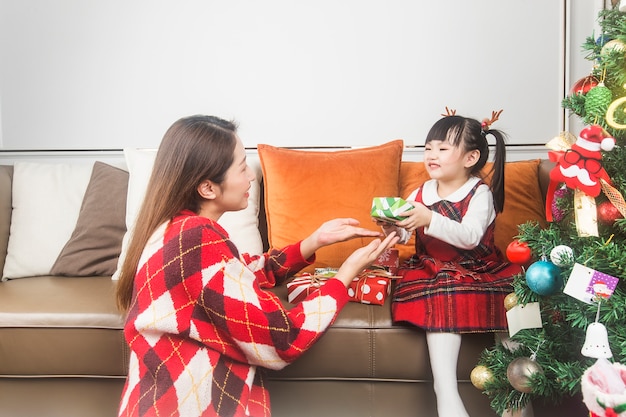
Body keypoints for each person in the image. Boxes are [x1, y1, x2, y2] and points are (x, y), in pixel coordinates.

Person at [115, 115, 399, 417]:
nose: (251, 177)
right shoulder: (197, 239)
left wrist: (313, 241)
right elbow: (283, 338)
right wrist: (346, 274)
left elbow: (233, 271)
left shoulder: (171, 230)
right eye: (241, 168)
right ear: (208, 188)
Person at [375, 110, 522, 417]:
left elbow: (469, 237)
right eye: (428, 147)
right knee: (442, 288)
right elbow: (406, 233)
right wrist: (393, 228)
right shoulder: (420, 192)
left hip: (479, 267)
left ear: (470, 158)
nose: (432, 154)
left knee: (515, 301)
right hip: (433, 267)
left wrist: (429, 217)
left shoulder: (479, 193)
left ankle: (516, 396)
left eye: (442, 149)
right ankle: (446, 396)